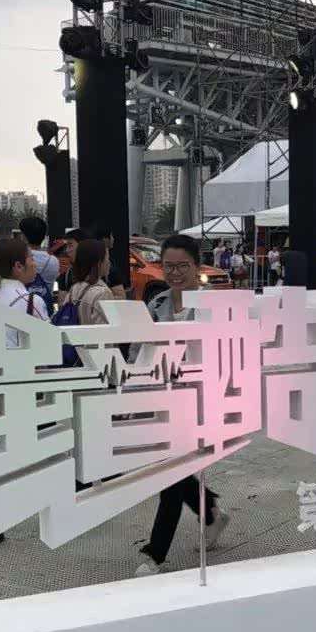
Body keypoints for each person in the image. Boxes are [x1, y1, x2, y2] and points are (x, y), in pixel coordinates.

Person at [137, 234, 230, 574]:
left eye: (182, 266)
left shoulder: (213, 306)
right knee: (170, 467)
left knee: (172, 473)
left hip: (200, 401)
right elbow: (142, 351)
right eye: (169, 266)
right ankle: (211, 512)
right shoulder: (156, 304)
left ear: (197, 266)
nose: (175, 273)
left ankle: (155, 553)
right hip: (163, 398)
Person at [63, 238, 113, 327]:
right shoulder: (103, 293)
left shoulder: (74, 288)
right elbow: (104, 330)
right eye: (107, 258)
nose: (109, 262)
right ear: (99, 263)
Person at [18, 216, 60, 314]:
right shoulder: (53, 261)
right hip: (45, 309)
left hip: (22, 309)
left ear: (24, 237)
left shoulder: (19, 259)